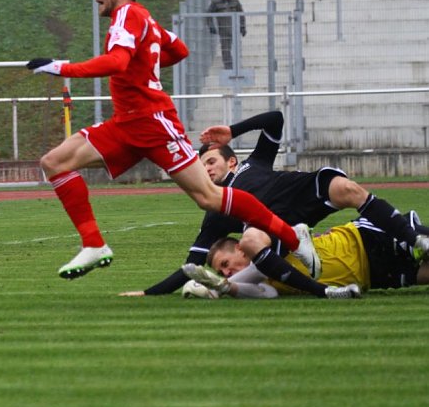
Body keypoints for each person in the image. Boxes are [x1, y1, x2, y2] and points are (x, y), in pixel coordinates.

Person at [25, 0, 318, 280]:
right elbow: (178, 50)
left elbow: (118, 61)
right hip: (125, 124)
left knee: (209, 196)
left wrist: (61, 68)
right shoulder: (144, 18)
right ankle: (94, 244)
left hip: (153, 123)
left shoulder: (128, 14)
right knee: (54, 162)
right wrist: (146, 64)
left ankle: (292, 236)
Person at [132, 110, 429, 296]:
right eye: (201, 166)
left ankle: (414, 240)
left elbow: (275, 119)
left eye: (211, 161)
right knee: (250, 238)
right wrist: (148, 293)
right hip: (280, 228)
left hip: (301, 194)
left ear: (232, 161)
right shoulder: (216, 209)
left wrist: (233, 130)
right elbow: (192, 263)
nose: (206, 169)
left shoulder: (255, 163)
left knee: (347, 189)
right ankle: (324, 291)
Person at [183, 211, 429, 299]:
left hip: (364, 240)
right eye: (221, 271)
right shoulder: (269, 279)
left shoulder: (264, 242)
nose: (226, 272)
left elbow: (260, 267)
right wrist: (226, 288)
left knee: (424, 243)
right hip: (372, 276)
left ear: (240, 248)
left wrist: (216, 287)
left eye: (225, 264)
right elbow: (266, 294)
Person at [207, 0, 245, 69]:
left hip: (235, 29)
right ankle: (228, 67)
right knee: (225, 49)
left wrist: (242, 27)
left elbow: (241, 14)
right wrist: (211, 26)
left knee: (236, 48)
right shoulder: (216, 2)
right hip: (223, 30)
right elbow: (209, 14)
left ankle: (237, 66)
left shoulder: (235, 1)